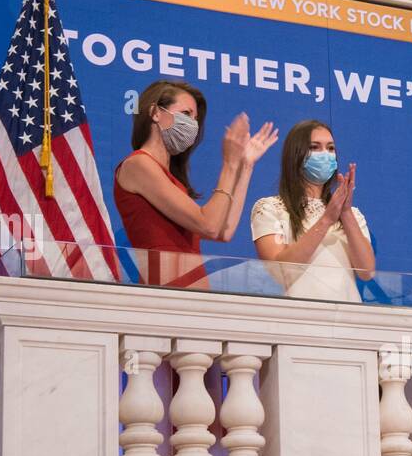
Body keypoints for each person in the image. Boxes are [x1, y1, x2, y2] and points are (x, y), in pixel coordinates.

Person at [114, 80, 277, 287]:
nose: (193, 124)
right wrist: (228, 163)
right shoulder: (138, 164)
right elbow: (208, 225)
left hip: (193, 303)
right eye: (186, 114)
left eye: (195, 118)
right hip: (166, 302)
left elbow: (223, 231)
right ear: (155, 112)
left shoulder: (171, 179)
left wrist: (244, 165)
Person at [250, 119, 375, 303]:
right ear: (295, 155)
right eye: (315, 147)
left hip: (348, 320)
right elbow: (280, 269)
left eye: (330, 148)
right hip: (298, 320)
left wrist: (345, 214)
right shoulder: (270, 208)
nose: (325, 154)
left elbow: (367, 272)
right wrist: (326, 220)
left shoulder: (352, 214)